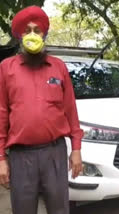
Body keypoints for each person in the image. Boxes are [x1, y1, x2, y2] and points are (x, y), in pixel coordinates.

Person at [0, 6, 83, 214]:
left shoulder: (58, 67)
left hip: (54, 153)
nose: (32, 35)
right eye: (27, 30)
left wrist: (76, 149)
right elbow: (1, 114)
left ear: (44, 34)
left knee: (59, 209)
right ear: (19, 35)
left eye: (37, 30)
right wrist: (1, 158)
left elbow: (70, 110)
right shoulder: (6, 68)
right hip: (21, 156)